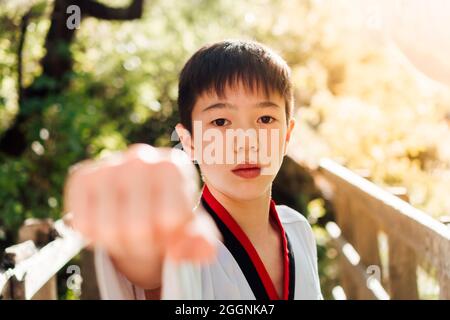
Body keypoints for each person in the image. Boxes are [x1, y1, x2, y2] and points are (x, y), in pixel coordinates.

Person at [64, 39, 323, 300]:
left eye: (265, 119)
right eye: (220, 122)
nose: (247, 142)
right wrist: (138, 242)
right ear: (188, 141)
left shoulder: (298, 228)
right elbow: (151, 269)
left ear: (287, 134)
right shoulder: (182, 249)